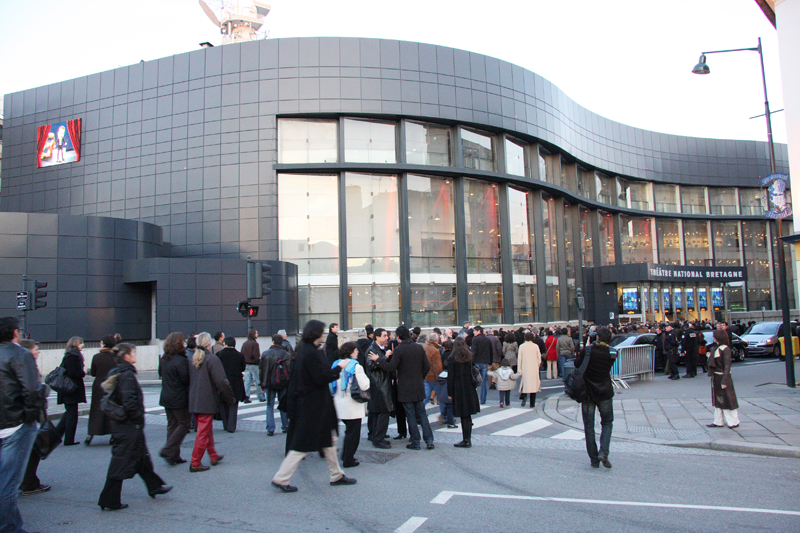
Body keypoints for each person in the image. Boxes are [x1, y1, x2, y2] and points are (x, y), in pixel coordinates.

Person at [271, 320, 356, 492]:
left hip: (312, 403)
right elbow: (321, 377)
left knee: (328, 440)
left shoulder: (303, 351)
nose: (324, 333)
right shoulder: (312, 353)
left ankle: (336, 474)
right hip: (315, 404)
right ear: (317, 334)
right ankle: (282, 477)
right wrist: (338, 368)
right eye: (322, 331)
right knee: (304, 444)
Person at [97, 343, 172, 510]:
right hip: (128, 426)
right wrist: (138, 418)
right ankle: (109, 499)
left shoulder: (117, 371)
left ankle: (154, 486)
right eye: (133, 353)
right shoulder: (127, 375)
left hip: (124, 425)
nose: (135, 355)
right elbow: (129, 402)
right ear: (127, 356)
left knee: (140, 457)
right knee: (121, 461)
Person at [0, 317, 48, 532]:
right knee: (8, 481)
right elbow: (31, 390)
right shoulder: (20, 354)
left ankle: (11, 523)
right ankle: (9, 527)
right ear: (15, 333)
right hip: (15, 424)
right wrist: (29, 416)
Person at [372, 326, 434, 451]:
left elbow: (391, 367)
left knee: (410, 414)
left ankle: (415, 441)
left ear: (399, 337)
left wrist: (378, 360)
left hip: (405, 387)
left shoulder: (399, 350)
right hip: (418, 385)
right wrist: (420, 377)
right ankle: (429, 440)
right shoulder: (418, 347)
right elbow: (426, 366)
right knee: (422, 414)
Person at [187, 332, 235, 472]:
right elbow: (221, 381)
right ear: (209, 344)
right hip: (206, 400)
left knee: (205, 430)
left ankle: (213, 455)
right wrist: (230, 397)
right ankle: (195, 462)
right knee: (203, 431)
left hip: (195, 399)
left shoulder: (193, 360)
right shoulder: (212, 360)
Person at [575, 327, 617, 469]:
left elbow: (577, 364)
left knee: (589, 425)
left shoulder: (588, 351)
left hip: (588, 392)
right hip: (604, 390)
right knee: (607, 422)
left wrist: (588, 345)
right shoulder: (612, 353)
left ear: (596, 337)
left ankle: (594, 458)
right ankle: (603, 451)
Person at [18, 339, 52, 496]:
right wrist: (44, 389)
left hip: (25, 415)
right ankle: (29, 482)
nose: (38, 352)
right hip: (29, 416)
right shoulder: (26, 367)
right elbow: (32, 391)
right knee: (32, 451)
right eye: (35, 349)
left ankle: (28, 481)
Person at [331, 342, 370, 468]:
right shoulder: (356, 366)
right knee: (353, 433)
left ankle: (345, 454)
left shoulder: (335, 364)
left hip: (338, 402)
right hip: (352, 404)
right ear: (351, 352)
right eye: (356, 350)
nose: (358, 352)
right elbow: (364, 385)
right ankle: (348, 458)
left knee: (349, 431)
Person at [158, 332, 190, 465]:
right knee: (183, 424)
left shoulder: (164, 359)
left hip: (166, 395)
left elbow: (160, 374)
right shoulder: (181, 360)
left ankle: (173, 455)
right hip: (178, 397)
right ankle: (168, 449)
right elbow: (185, 379)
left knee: (172, 425)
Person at [447, 337, 480, 448]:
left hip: (458, 388)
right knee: (468, 415)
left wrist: (450, 393)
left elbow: (450, 377)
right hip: (469, 387)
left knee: (462, 414)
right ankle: (468, 439)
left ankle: (465, 439)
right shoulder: (470, 356)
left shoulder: (452, 358)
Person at [363, 328, 394, 448]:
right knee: (383, 411)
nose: (387, 338)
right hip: (379, 385)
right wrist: (384, 357)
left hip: (380, 384)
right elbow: (372, 366)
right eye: (384, 336)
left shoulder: (378, 349)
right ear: (377, 337)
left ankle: (375, 435)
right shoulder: (372, 350)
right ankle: (378, 438)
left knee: (376, 412)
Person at [85, 335, 117, 446]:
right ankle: (113, 435)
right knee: (112, 409)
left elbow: (93, 373)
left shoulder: (97, 357)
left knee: (96, 410)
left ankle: (91, 433)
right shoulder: (116, 356)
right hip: (112, 385)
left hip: (99, 385)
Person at [55, 336, 87, 446]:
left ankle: (55, 436)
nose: (83, 345)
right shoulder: (73, 357)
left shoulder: (71, 355)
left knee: (68, 413)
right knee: (72, 415)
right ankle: (69, 439)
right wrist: (83, 373)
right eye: (81, 343)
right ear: (76, 344)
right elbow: (72, 373)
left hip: (69, 389)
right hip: (70, 389)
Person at [259, 334, 292, 436]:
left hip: (269, 382)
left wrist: (262, 384)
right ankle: (285, 426)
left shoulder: (265, 354)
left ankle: (270, 428)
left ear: (272, 342)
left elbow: (262, 370)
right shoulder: (286, 354)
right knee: (283, 404)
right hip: (282, 382)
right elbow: (289, 369)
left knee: (270, 405)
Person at [707, 330, 740, 429]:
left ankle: (733, 421)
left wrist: (725, 380)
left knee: (728, 399)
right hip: (717, 376)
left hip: (722, 376)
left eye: (715, 336)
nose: (713, 338)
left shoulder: (725, 349)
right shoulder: (716, 348)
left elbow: (727, 366)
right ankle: (718, 420)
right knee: (718, 400)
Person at [217, 337, 246, 433]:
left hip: (222, 382)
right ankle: (231, 426)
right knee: (233, 404)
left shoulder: (219, 355)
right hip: (235, 382)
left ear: (225, 344)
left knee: (223, 403)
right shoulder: (239, 355)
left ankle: (225, 424)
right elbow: (243, 368)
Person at [517, 331, 542, 407]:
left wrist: (519, 370)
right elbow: (539, 358)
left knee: (525, 383)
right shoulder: (535, 346)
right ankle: (532, 403)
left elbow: (519, 359)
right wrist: (537, 365)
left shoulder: (522, 346)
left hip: (525, 367)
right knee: (533, 386)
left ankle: (524, 396)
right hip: (533, 368)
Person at [470, 326, 492, 404]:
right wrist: (490, 362)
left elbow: (473, 352)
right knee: (484, 381)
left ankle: (474, 398)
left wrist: (471, 361)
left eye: (474, 331)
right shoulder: (487, 339)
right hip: (485, 362)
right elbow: (490, 351)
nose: (473, 332)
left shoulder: (475, 340)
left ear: (479, 331)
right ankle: (483, 399)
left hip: (477, 362)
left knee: (474, 381)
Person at [241, 330, 263, 403]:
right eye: (256, 333)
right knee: (258, 380)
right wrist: (258, 362)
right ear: (253, 335)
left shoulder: (245, 343)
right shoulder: (255, 344)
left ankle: (246, 396)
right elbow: (256, 355)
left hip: (246, 364)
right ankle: (261, 396)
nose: (257, 334)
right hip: (253, 364)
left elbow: (242, 354)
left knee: (247, 381)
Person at [423, 333, 443, 406]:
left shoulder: (424, 348)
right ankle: (445, 413)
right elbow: (438, 366)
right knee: (441, 396)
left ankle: (419, 412)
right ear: (437, 340)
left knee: (426, 395)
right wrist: (440, 377)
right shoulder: (435, 351)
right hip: (434, 377)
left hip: (426, 375)